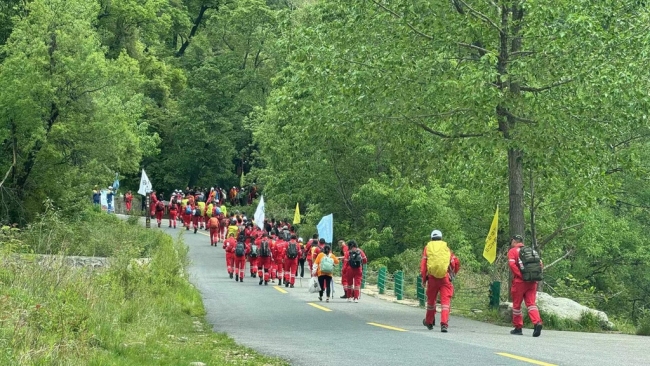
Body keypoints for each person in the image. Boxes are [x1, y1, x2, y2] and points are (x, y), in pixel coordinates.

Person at [421, 230, 460, 333]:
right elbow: (455, 262)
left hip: (432, 278)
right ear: (441, 237)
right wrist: (452, 274)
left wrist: (424, 279)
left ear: (431, 238)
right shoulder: (446, 248)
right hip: (445, 278)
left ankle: (429, 321)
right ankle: (444, 324)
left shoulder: (427, 248)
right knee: (445, 303)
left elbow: (424, 265)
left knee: (431, 302)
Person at [508, 235, 543, 337]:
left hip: (519, 282)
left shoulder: (513, 251)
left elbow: (512, 265)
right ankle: (537, 323)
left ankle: (518, 328)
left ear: (514, 241)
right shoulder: (531, 251)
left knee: (517, 306)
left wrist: (520, 275)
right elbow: (540, 265)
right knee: (531, 304)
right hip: (532, 281)